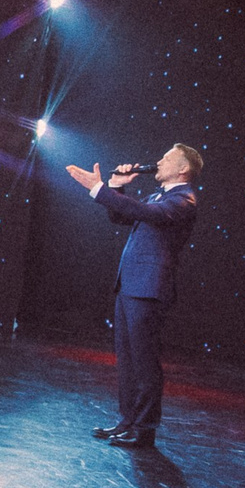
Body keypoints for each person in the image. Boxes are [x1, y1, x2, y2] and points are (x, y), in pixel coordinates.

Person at [64, 144, 203, 449]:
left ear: (183, 169)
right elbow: (122, 216)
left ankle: (144, 429)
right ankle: (128, 421)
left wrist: (99, 189)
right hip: (131, 285)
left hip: (149, 288)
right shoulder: (158, 196)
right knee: (127, 360)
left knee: (144, 361)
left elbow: (143, 213)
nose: (159, 161)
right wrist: (116, 186)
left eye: (166, 159)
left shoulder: (183, 200)